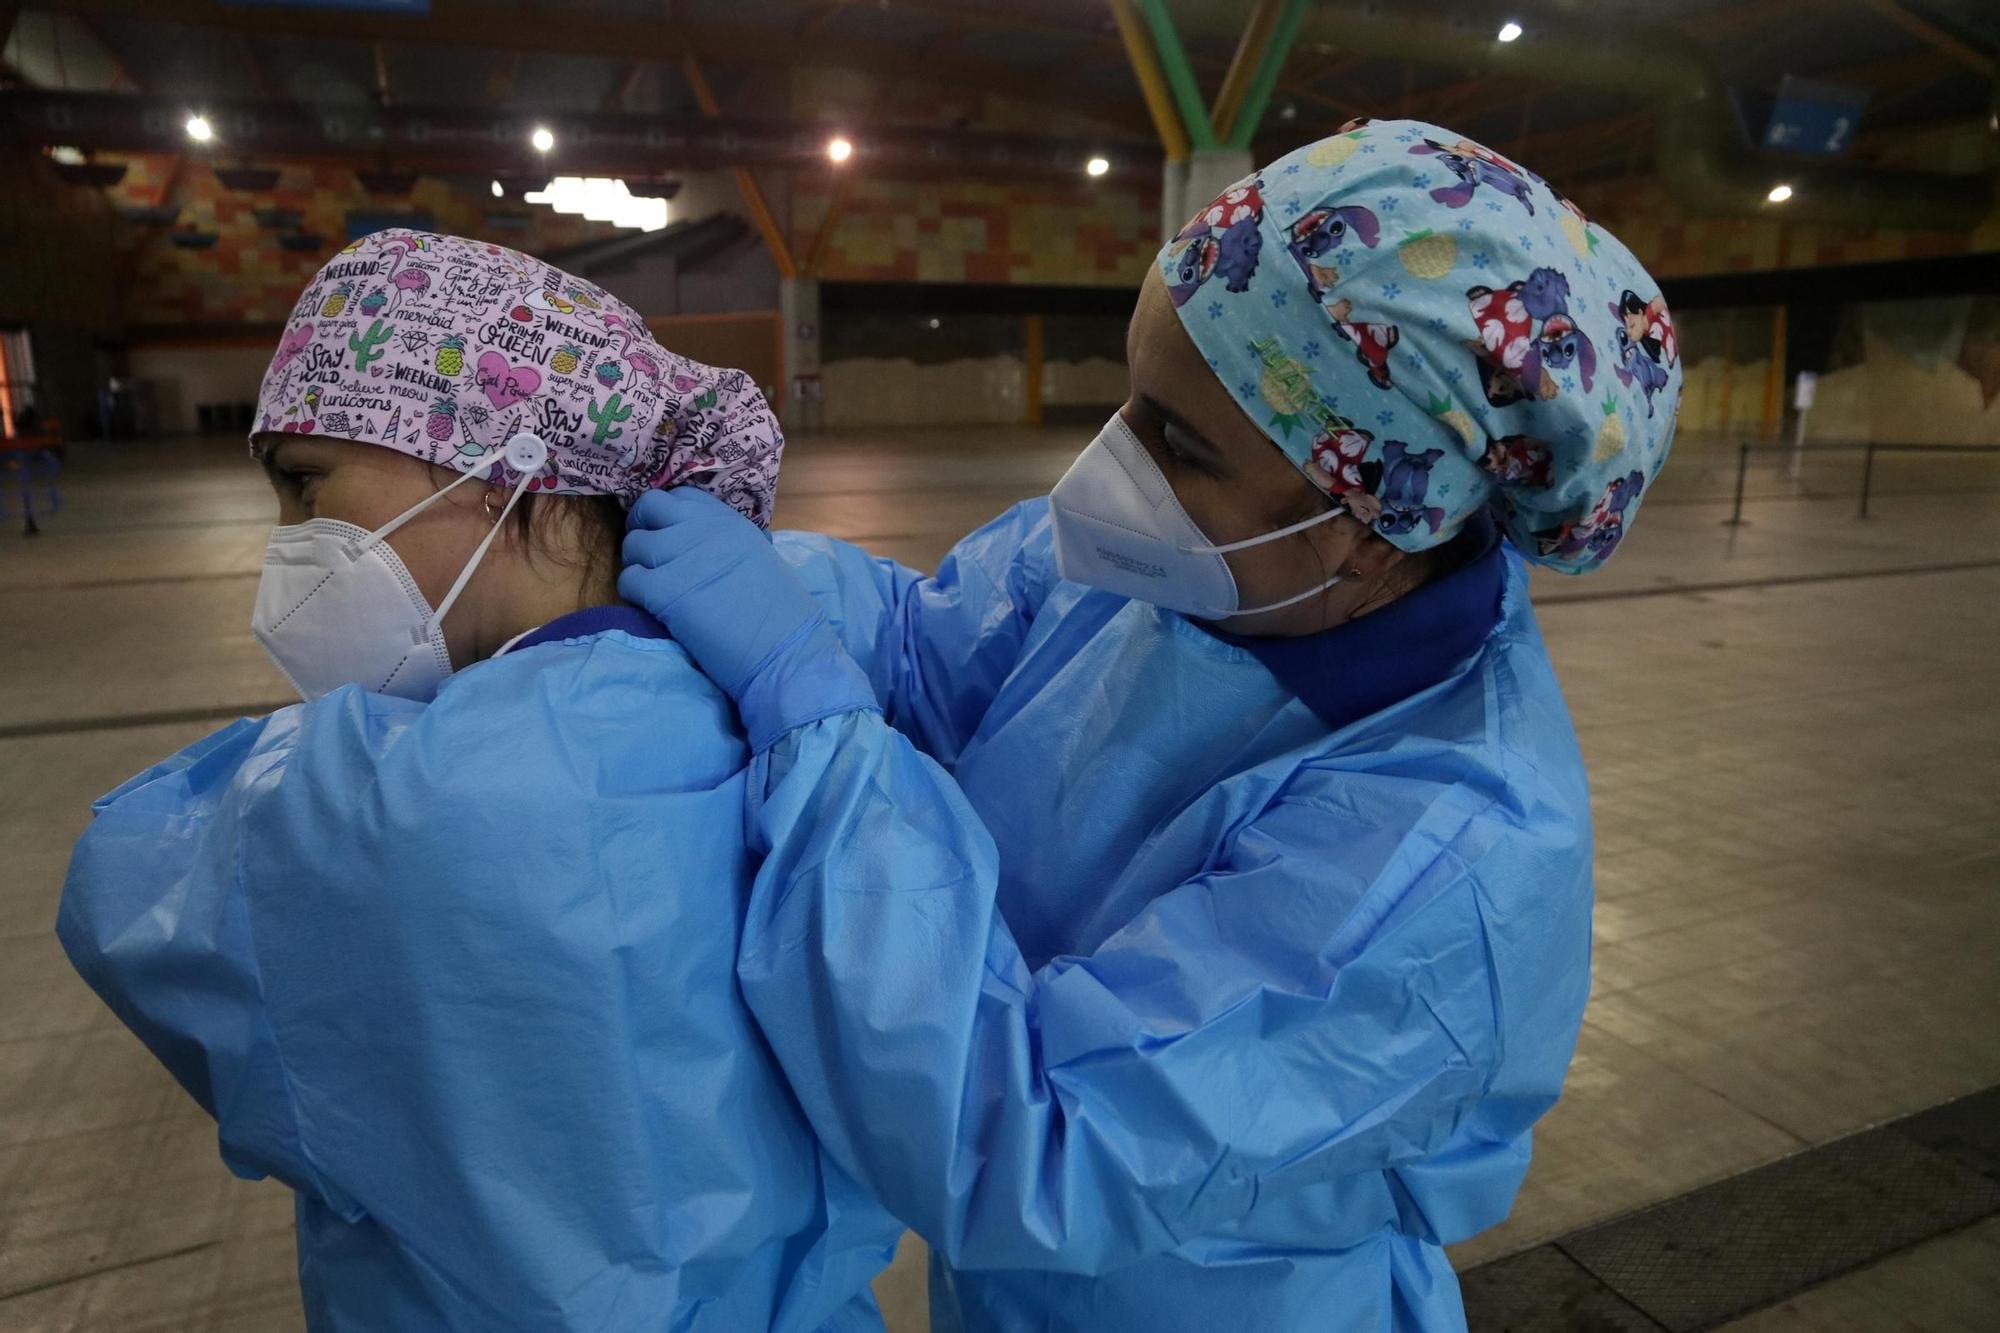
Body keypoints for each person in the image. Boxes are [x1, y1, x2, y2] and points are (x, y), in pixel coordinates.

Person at [619, 118, 1682, 1331]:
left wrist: (816, 735)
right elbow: (926, 651)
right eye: (1128, 396)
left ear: (1367, 517)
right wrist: (744, 579)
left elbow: (1029, 1136)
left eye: (1176, 440)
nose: (1107, 468)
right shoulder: (1178, 568)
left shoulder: (1449, 858)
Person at [57, 232, 899, 1331]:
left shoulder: (363, 798)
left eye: (307, 487)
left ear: (505, 467)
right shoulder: (772, 722)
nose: (288, 542)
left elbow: (129, 894)